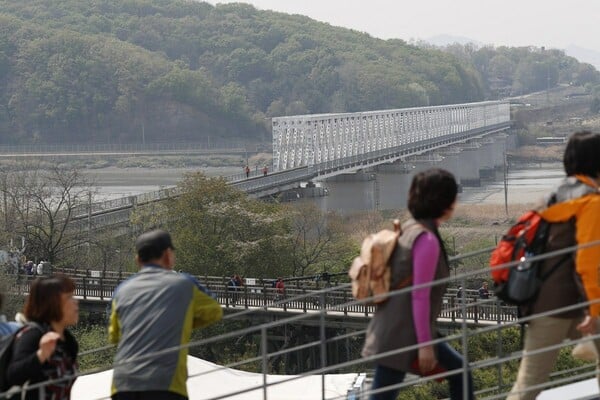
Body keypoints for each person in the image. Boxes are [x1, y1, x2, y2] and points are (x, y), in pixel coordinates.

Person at [362, 168, 474, 400]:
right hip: (403, 334)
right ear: (445, 201)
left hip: (397, 327)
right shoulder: (427, 240)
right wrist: (424, 345)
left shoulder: (410, 228)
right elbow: (419, 295)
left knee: (460, 372)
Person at [507, 131, 600, 400]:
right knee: (528, 385)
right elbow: (587, 260)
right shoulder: (591, 202)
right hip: (577, 303)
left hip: (543, 300)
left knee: (528, 384)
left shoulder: (554, 196)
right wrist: (593, 310)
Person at [109, 229, 222, 400]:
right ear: (168, 255)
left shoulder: (121, 290)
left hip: (123, 384)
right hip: (165, 383)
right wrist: (177, 321)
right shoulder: (184, 284)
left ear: (138, 259)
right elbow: (214, 311)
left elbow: (115, 336)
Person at [6, 275, 79, 400]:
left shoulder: (68, 341)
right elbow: (13, 375)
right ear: (52, 303)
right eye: (69, 297)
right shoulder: (33, 335)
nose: (76, 301)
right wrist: (40, 355)